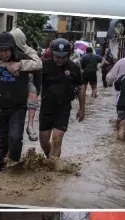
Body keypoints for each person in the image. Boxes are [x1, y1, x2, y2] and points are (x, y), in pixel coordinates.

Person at [0, 32, 34, 171]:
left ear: (12, 49)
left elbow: (38, 69)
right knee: (1, 141)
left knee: (16, 138)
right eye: (1, 50)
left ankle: (14, 165)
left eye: (7, 50)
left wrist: (35, 90)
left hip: (18, 107)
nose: (4, 54)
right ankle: (0, 168)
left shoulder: (22, 58)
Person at [0, 28, 41, 141]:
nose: (5, 52)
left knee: (33, 93)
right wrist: (4, 64)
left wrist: (21, 64)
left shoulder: (28, 51)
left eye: (9, 48)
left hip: (23, 84)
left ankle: (30, 125)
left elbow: (38, 65)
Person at [38, 38, 85, 166]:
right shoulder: (44, 66)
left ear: (69, 55)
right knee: (43, 140)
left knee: (57, 138)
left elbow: (81, 87)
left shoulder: (74, 68)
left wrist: (82, 109)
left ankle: (53, 172)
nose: (59, 60)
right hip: (46, 108)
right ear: (52, 54)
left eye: (63, 57)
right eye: (57, 57)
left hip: (63, 108)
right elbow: (33, 84)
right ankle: (49, 157)